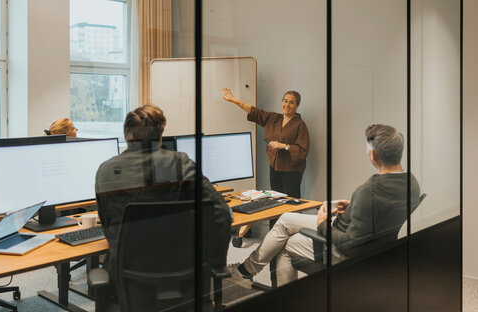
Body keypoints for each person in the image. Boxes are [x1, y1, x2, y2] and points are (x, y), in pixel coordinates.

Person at [227, 124, 420, 288]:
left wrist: (322, 223)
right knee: (286, 219)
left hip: (348, 252)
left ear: (372, 155)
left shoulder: (368, 191)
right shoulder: (411, 183)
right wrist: (354, 207)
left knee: (286, 244)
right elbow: (384, 208)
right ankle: (245, 271)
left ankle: (269, 288)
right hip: (376, 243)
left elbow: (347, 243)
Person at [95, 104, 232, 297]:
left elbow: (107, 224)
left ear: (126, 136)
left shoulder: (106, 170)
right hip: (185, 276)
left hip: (127, 279)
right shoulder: (180, 163)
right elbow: (221, 213)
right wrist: (215, 263)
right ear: (160, 136)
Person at [222, 88, 309, 198]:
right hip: (274, 169)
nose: (287, 105)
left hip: (291, 171)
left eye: (291, 103)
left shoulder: (300, 125)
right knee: (276, 200)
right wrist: (235, 101)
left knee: (291, 202)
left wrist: (284, 146)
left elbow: (303, 150)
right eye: (285, 101)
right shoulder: (273, 118)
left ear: (297, 106)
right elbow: (255, 111)